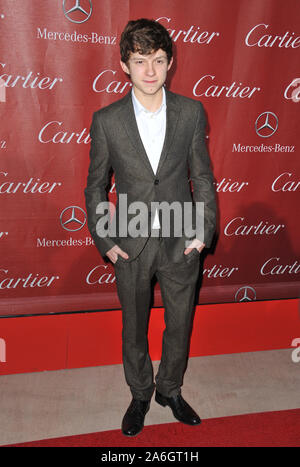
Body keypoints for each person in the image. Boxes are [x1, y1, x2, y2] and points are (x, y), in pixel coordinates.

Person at [85, 18, 216, 437]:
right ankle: (140, 393)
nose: (150, 71)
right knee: (134, 324)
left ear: (170, 62)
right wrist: (106, 240)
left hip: (182, 241)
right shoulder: (107, 120)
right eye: (140, 61)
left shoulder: (192, 112)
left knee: (180, 323)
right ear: (125, 65)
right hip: (131, 241)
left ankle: (170, 389)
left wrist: (203, 231)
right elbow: (95, 187)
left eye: (158, 61)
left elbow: (204, 178)